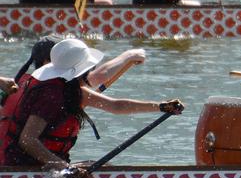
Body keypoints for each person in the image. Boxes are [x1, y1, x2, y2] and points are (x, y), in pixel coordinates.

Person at [0, 38, 183, 170]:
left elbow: (116, 106)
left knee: (105, 168)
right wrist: (63, 168)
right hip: (21, 168)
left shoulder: (70, 89)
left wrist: (160, 106)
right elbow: (27, 139)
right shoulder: (50, 95)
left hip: (42, 165)